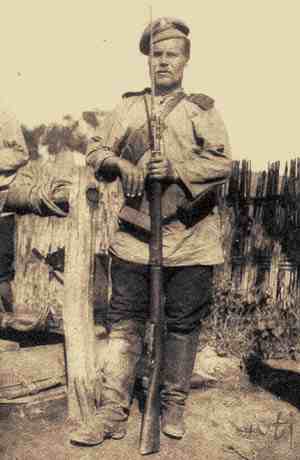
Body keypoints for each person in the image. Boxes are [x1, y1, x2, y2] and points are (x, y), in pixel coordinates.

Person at [72, 17, 232, 446]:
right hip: (135, 237)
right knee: (124, 323)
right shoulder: (127, 108)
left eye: (171, 55)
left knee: (181, 324)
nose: (163, 62)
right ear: (148, 60)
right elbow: (96, 151)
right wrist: (121, 165)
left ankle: (172, 403)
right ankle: (113, 409)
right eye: (156, 55)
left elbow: (221, 164)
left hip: (190, 238)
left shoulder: (201, 109)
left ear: (185, 60)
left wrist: (177, 168)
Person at [0, 107, 29, 314]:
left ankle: (11, 324)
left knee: (1, 276)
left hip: (1, 206)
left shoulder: (4, 115)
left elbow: (21, 153)